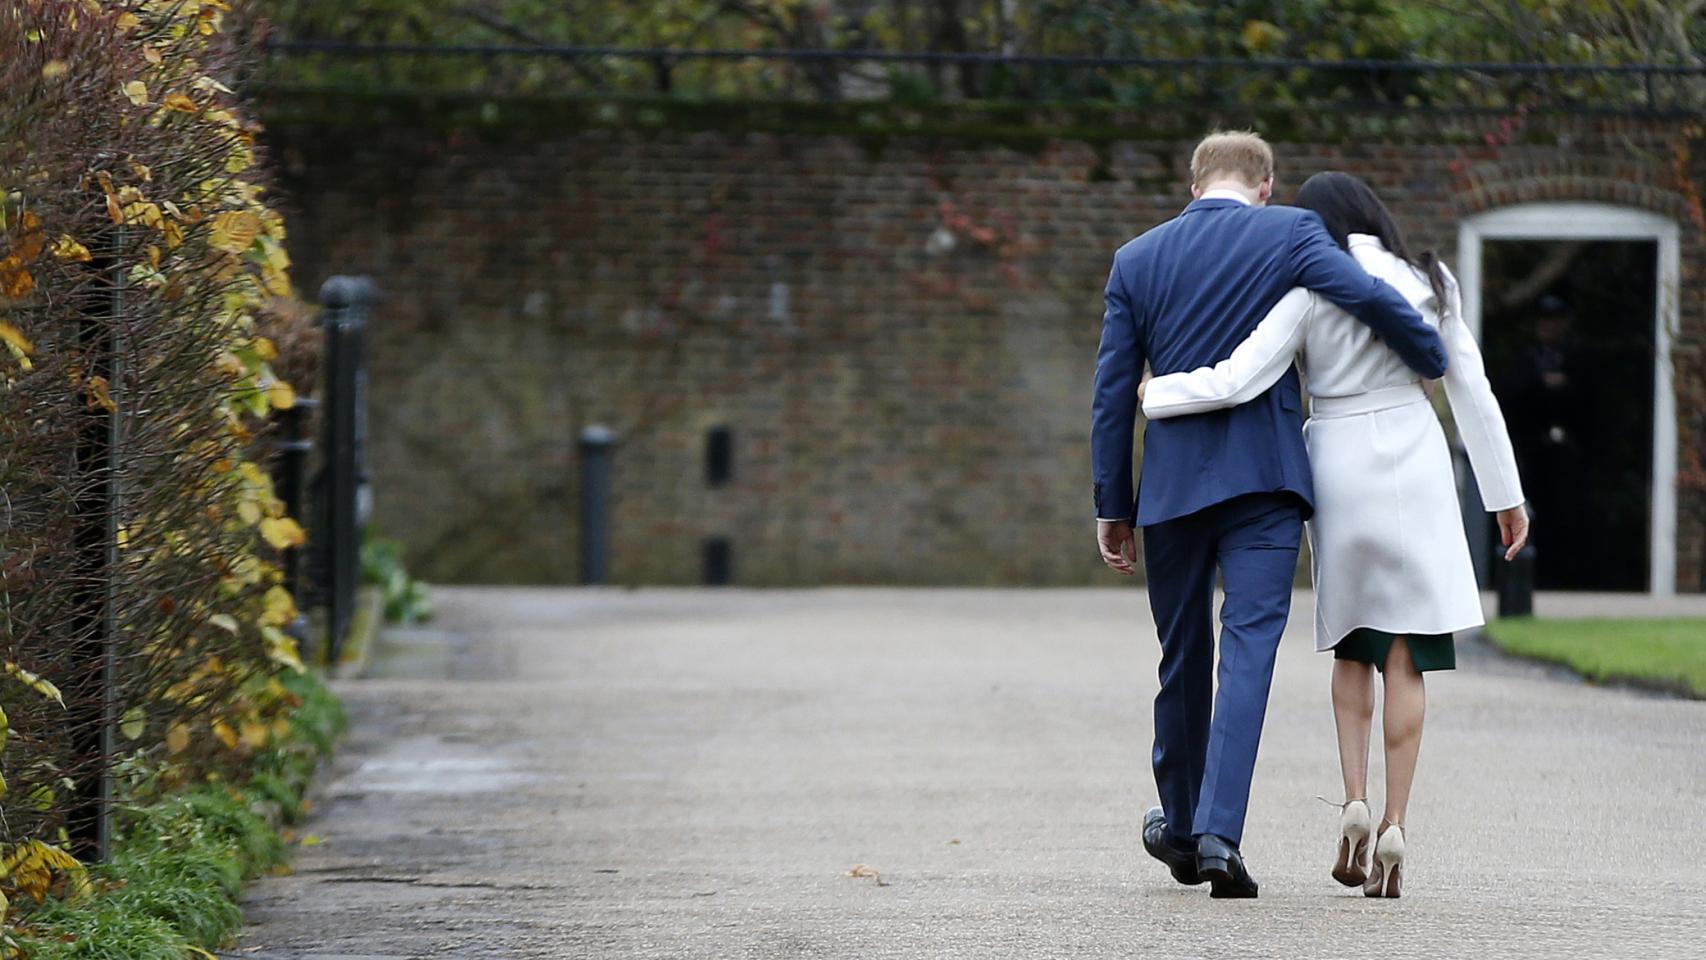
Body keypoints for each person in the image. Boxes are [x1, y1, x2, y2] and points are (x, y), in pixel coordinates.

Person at [1139, 171, 1530, 898]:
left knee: (1354, 643)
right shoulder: (1429, 278)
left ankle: (1351, 800)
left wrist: (1158, 393)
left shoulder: (1308, 286)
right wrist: (1504, 496)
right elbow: (1470, 388)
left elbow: (1236, 378)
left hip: (1339, 461)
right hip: (1413, 453)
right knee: (1406, 650)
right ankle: (1395, 823)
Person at [1090, 133, 1448, 899]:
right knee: (1247, 650)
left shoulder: (1136, 259)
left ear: (1194, 187)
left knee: (1182, 653)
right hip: (1266, 483)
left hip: (1174, 491)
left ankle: (1181, 827)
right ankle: (1221, 835)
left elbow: (1112, 393)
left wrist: (1112, 506)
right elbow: (1362, 294)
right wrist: (1427, 346)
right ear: (1265, 184)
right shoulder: (1290, 232)